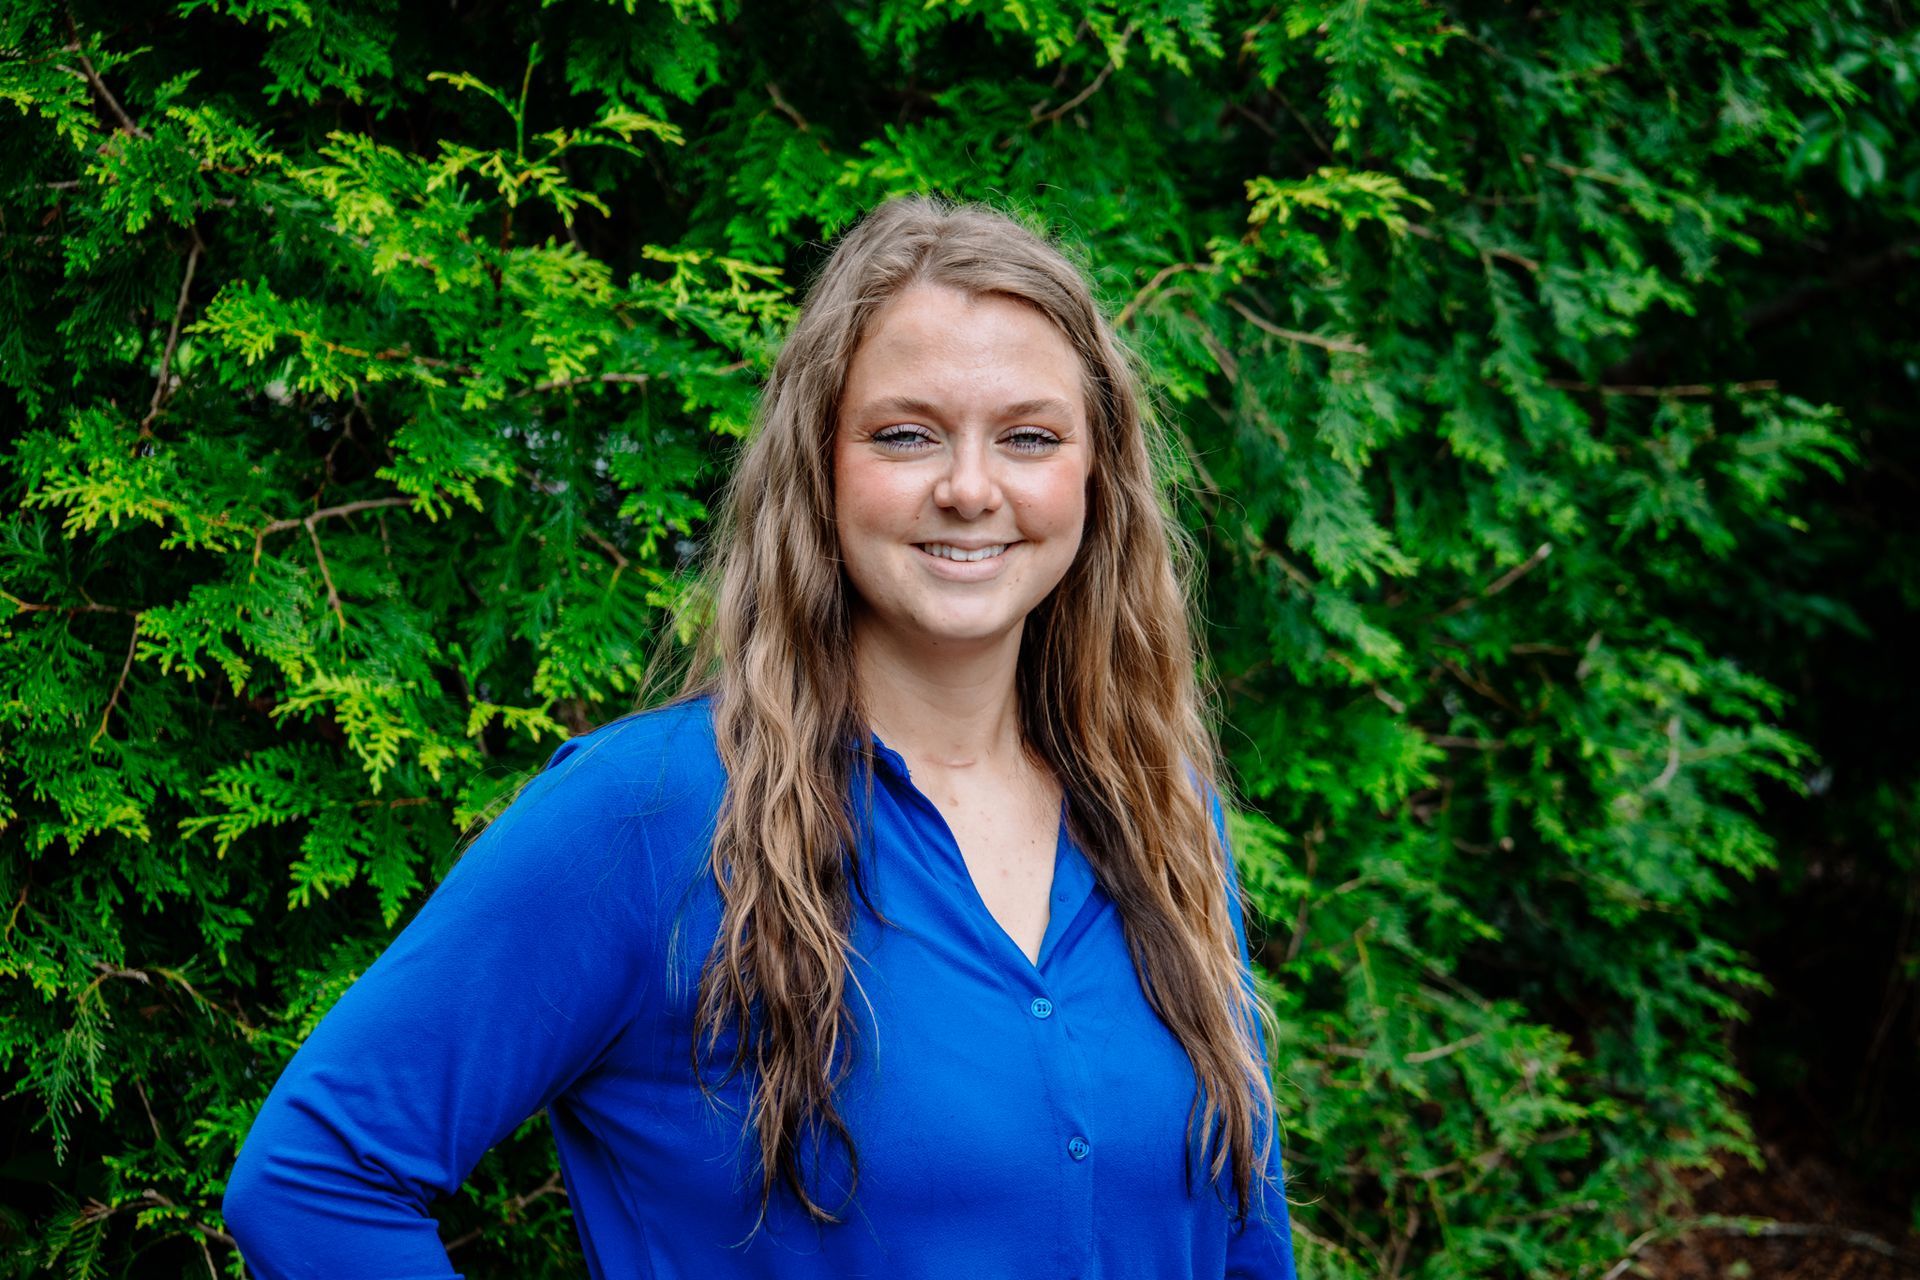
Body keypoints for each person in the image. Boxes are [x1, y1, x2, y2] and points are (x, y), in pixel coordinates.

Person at [221, 194, 1299, 1279]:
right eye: (906, 434)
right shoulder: (649, 814)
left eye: (1028, 437)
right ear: (819, 465)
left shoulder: (1161, 813)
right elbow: (317, 1173)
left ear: (1096, 476)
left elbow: (1249, 1240)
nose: (971, 488)